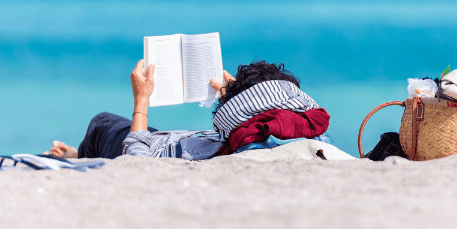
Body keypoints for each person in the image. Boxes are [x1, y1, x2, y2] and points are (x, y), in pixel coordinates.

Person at [49, 59, 330, 160]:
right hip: (187, 140)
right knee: (156, 133)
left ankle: (80, 156)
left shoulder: (237, 145)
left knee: (103, 123)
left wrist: (142, 99)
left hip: (161, 147)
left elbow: (135, 158)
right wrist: (235, 92)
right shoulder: (305, 130)